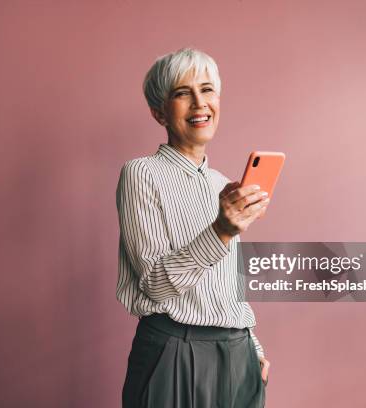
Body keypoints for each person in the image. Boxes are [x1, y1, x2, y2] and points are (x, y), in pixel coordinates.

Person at [116, 47, 271, 408]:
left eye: (207, 90)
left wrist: (255, 349)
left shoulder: (223, 185)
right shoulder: (141, 174)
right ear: (159, 112)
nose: (200, 103)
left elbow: (227, 284)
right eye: (183, 93)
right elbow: (154, 283)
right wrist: (221, 230)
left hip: (238, 355)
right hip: (175, 348)